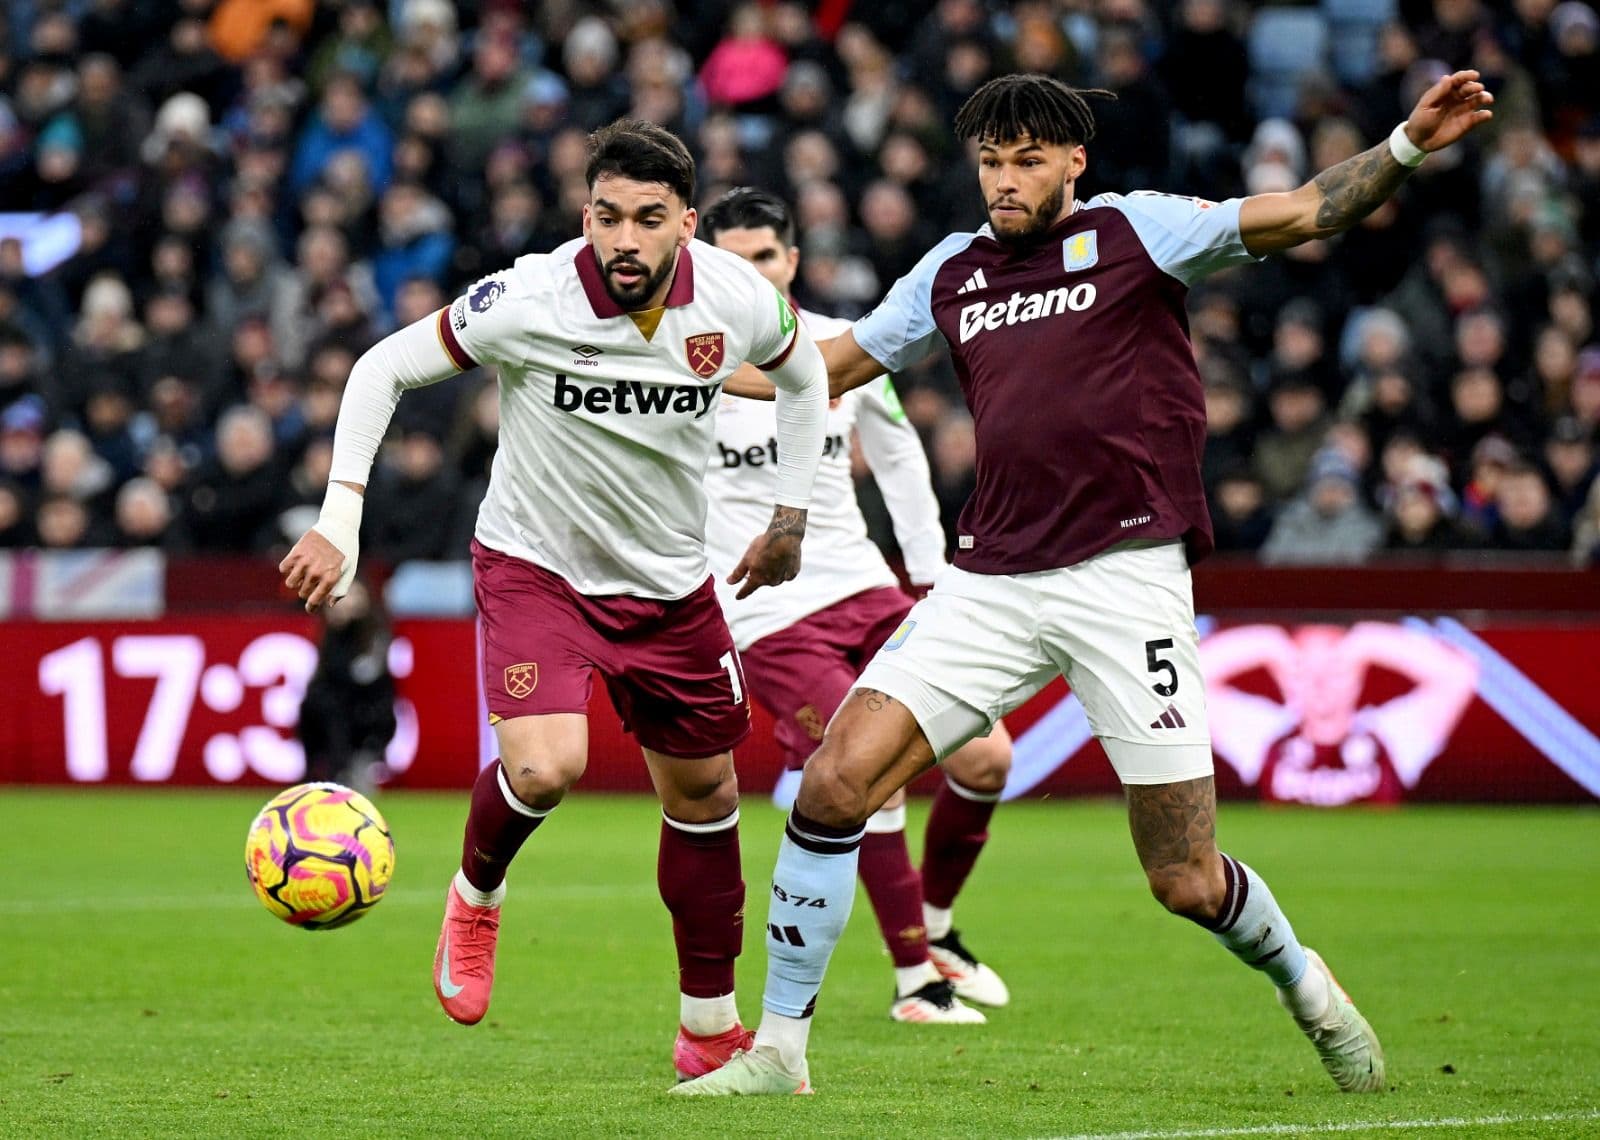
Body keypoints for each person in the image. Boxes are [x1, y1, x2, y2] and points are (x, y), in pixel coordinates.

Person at [675, 70, 1493, 1097]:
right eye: (989, 162)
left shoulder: (1136, 230)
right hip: (992, 580)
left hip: (1125, 579)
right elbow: (827, 364)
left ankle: (1304, 984)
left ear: (1073, 161)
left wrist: (1407, 146)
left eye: (1026, 159)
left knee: (1184, 880)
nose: (1005, 180)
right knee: (837, 783)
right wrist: (674, 359)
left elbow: (1302, 210)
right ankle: (778, 1055)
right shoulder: (953, 270)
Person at [278, 119, 830, 1081]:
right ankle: (476, 896)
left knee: (705, 796)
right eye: (607, 217)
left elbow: (805, 373)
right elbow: (382, 368)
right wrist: (341, 519)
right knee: (545, 768)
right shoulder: (528, 296)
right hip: (540, 570)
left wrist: (791, 514)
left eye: (648, 220)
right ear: (586, 215)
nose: (624, 239)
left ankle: (707, 1028)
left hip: (669, 584)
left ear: (686, 225)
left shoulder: (736, 298)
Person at [702, 187, 1013, 1026]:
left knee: (988, 759)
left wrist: (930, 574)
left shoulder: (841, 349)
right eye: (729, 262)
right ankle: (916, 981)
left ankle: (938, 927)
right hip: (764, 614)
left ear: (792, 262)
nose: (749, 274)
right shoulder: (682, 366)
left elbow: (901, 458)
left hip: (866, 585)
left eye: (763, 257)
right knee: (870, 780)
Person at [296, 574, 397, 790]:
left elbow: (365, 677)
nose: (346, 601)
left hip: (367, 711)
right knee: (319, 703)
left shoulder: (376, 634)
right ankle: (317, 771)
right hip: (333, 711)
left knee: (337, 708)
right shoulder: (330, 634)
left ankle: (352, 767)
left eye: (353, 594)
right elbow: (325, 676)